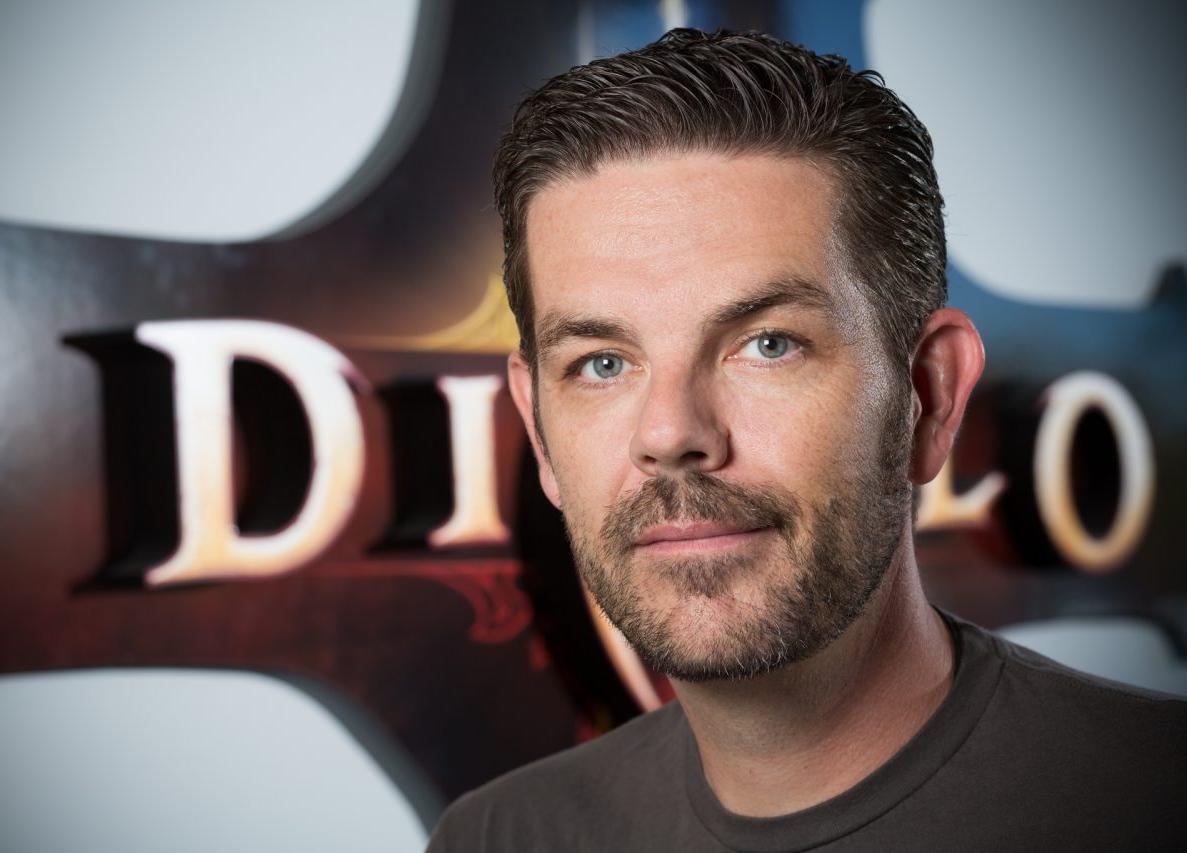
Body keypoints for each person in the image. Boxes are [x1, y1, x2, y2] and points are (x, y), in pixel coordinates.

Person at [427, 29, 1186, 852]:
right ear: (538, 428)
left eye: (768, 344)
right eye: (602, 362)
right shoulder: (501, 837)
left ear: (928, 398)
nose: (672, 433)